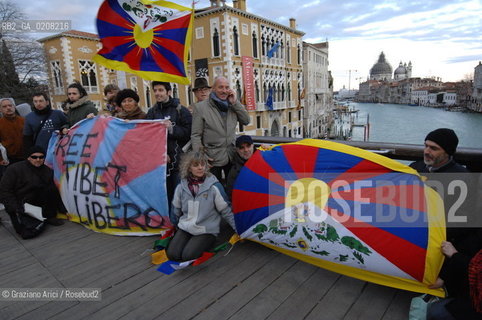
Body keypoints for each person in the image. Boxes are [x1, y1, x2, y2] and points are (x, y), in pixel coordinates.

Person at [167, 151, 236, 262]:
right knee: (172, 254)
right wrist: (175, 225)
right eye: (196, 165)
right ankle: (189, 240)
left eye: (202, 164)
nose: (200, 168)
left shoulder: (214, 186)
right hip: (187, 226)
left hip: (206, 229)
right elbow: (176, 209)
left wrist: (238, 230)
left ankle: (210, 241)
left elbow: (226, 211)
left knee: (187, 256)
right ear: (189, 168)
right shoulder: (181, 186)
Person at [191, 76, 250, 185]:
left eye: (227, 87)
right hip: (212, 159)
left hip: (232, 156)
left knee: (234, 188)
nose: (224, 91)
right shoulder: (201, 108)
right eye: (220, 87)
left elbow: (246, 120)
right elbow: (195, 135)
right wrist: (201, 157)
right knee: (214, 190)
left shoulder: (232, 105)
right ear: (213, 89)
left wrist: (235, 103)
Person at [0, 146, 66, 238]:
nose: (38, 159)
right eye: (34, 157)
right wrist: (15, 208)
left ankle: (49, 216)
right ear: (28, 157)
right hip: (19, 204)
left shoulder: (48, 171)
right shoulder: (14, 169)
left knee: (51, 189)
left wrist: (62, 209)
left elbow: (54, 192)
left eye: (41, 157)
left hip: (36, 202)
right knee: (26, 232)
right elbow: (5, 191)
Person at [146, 81, 192, 205]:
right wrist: (160, 154)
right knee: (164, 195)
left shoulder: (181, 110)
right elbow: (148, 138)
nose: (157, 93)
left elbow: (189, 133)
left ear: (169, 92)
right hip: (159, 164)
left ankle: (178, 222)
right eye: (155, 90)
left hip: (178, 163)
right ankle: (168, 222)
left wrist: (171, 128)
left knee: (179, 197)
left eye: (160, 90)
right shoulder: (151, 112)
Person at [0, 98, 25, 167]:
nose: (8, 108)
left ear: (14, 107)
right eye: (4, 106)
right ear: (0, 110)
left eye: (10, 105)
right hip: (10, 160)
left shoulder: (24, 121)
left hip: (26, 157)